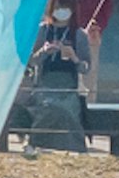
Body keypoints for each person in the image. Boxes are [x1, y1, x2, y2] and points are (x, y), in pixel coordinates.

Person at [22, 12, 91, 152]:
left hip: (69, 86)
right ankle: (34, 143)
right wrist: (44, 51)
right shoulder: (42, 31)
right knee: (47, 108)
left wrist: (74, 58)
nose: (62, 10)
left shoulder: (79, 34)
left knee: (69, 110)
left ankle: (78, 148)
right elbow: (30, 61)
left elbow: (86, 68)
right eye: (58, 5)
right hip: (44, 85)